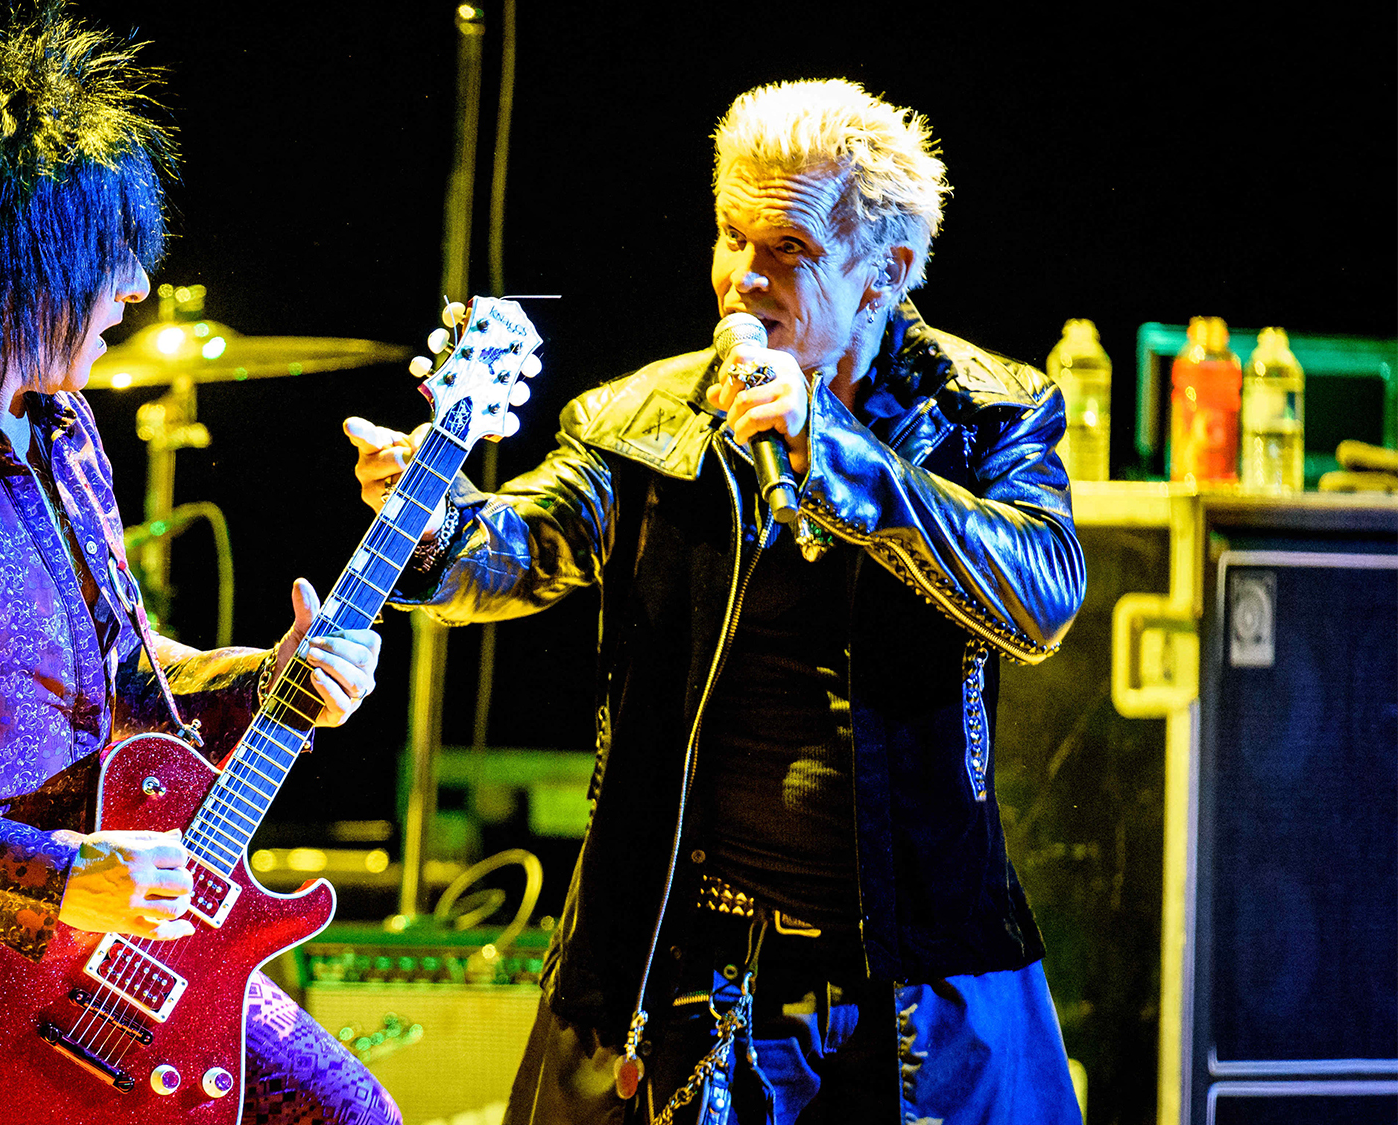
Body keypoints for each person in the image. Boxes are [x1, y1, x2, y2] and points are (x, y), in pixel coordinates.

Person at [348, 79, 1086, 1123]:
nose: (742, 279)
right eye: (728, 236)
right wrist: (428, 517)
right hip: (682, 962)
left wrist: (837, 463)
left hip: (921, 981)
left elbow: (1041, 598)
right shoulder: (639, 416)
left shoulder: (985, 412)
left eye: (785, 247)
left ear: (887, 273)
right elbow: (517, 548)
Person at [0, 7, 398, 1123]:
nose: (137, 288)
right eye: (111, 259)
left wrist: (265, 678)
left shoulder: (58, 425)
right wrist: (46, 877)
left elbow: (118, 673)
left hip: (101, 936)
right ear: (12, 268)